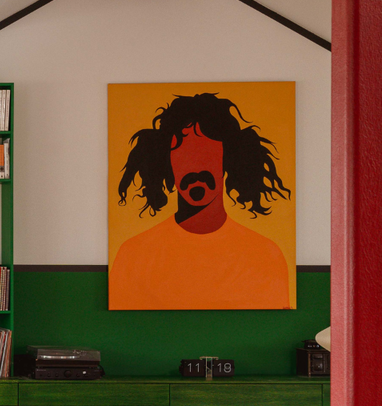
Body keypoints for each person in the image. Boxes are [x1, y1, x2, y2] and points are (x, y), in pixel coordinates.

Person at [108, 93, 292, 310]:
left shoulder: (265, 256)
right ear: (165, 164)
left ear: (229, 160)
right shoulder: (133, 255)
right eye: (184, 157)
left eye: (206, 155)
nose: (195, 170)